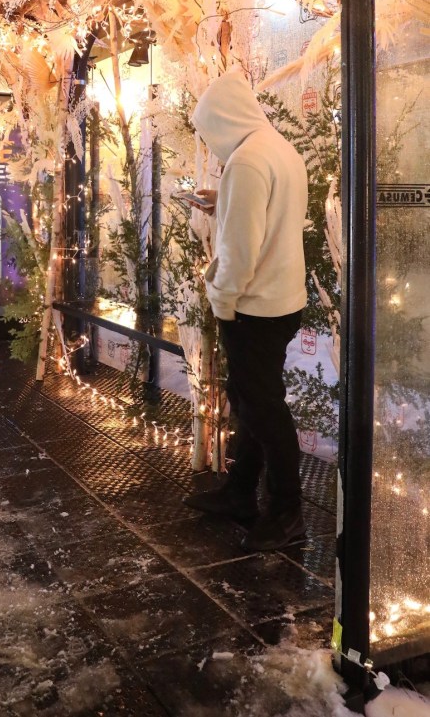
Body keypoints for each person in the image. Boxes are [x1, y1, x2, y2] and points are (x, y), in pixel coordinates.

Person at [184, 72, 308, 552]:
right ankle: (240, 493)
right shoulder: (279, 148)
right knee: (256, 402)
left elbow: (239, 250)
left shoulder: (247, 161)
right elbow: (275, 218)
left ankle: (287, 511)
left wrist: (223, 300)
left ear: (222, 119)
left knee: (263, 409)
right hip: (282, 300)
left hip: (253, 307)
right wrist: (226, 203)